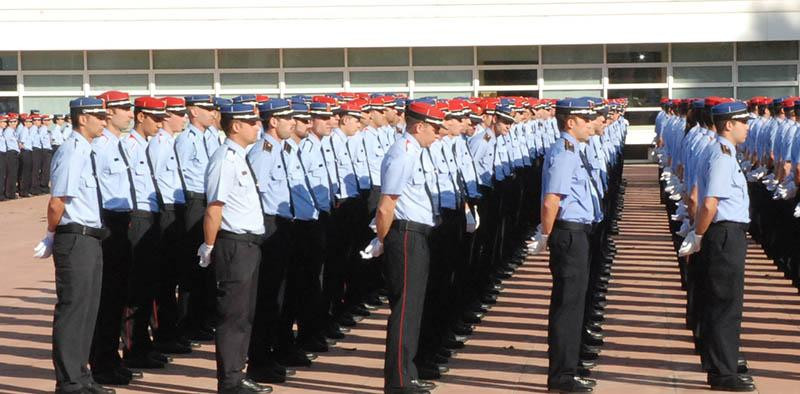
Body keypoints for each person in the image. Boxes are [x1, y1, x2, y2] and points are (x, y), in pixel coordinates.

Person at [32, 96, 115, 394]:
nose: (104, 122)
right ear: (83, 119)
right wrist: (51, 234)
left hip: (90, 237)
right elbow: (57, 202)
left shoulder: (85, 149)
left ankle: (82, 375)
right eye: (99, 117)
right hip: (74, 236)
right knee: (73, 309)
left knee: (88, 309)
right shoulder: (72, 151)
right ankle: (69, 381)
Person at [679, 100, 755, 392]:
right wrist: (698, 234)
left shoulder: (720, 150)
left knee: (719, 301)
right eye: (743, 122)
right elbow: (710, 202)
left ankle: (719, 364)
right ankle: (725, 372)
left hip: (721, 232)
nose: (747, 127)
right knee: (727, 304)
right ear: (728, 125)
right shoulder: (722, 154)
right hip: (724, 234)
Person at [197, 102, 272, 394]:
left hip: (250, 244)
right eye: (251, 122)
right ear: (236, 126)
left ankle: (237, 374)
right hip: (233, 244)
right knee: (232, 315)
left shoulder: (240, 157)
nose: (258, 126)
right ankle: (229, 381)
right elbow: (214, 208)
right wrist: (209, 245)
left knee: (245, 314)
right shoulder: (224, 159)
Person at [371, 101, 444, 394]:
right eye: (435, 128)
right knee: (405, 309)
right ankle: (398, 381)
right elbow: (386, 205)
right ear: (419, 126)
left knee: (413, 309)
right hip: (404, 236)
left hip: (416, 234)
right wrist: (382, 238)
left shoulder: (414, 151)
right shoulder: (402, 153)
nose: (438, 134)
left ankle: (407, 373)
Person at [529, 97, 600, 393]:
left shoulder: (573, 150)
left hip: (577, 232)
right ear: (570, 122)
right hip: (568, 234)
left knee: (573, 303)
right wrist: (545, 235)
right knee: (567, 305)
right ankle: (561, 375)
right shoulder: (565, 152)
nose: (590, 124)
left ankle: (568, 367)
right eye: (586, 119)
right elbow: (551, 200)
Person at [147, 96, 194, 355]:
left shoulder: (169, 142)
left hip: (175, 209)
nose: (183, 118)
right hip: (164, 211)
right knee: (163, 278)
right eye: (178, 114)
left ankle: (169, 330)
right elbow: (152, 179)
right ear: (167, 117)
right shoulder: (159, 144)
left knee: (173, 275)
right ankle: (163, 333)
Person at [175, 94, 221, 341]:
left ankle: (203, 319)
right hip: (194, 200)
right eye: (206, 108)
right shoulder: (186, 139)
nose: (211, 112)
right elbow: (178, 174)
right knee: (193, 265)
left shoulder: (211, 137)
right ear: (193, 111)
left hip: (209, 200)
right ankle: (188, 323)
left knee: (208, 266)